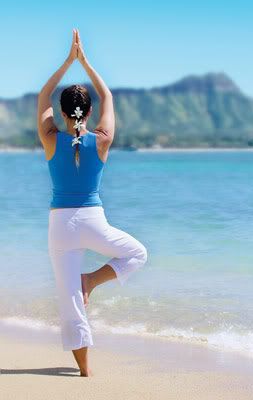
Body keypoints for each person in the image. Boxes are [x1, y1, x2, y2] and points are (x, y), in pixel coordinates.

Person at [37, 28, 148, 377]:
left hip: (61, 228)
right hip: (93, 222)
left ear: (62, 112)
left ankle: (85, 371)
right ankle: (92, 281)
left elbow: (42, 95)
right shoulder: (102, 139)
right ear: (88, 111)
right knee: (137, 254)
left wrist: (67, 62)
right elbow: (109, 96)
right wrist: (85, 62)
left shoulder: (50, 137)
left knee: (70, 304)